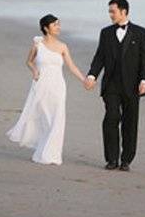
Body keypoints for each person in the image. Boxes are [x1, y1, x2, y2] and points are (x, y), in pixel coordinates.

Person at [5, 14, 85, 165]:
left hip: (58, 86)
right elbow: (29, 61)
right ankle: (41, 150)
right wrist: (34, 70)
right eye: (55, 25)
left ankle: (52, 155)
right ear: (46, 28)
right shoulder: (38, 44)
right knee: (43, 118)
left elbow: (71, 66)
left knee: (57, 119)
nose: (58, 27)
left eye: (59, 24)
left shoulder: (63, 47)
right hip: (41, 85)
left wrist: (84, 80)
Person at [84, 0, 145, 172]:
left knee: (130, 123)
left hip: (132, 86)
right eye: (109, 11)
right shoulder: (105, 33)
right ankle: (111, 159)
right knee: (111, 118)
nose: (110, 15)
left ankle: (126, 160)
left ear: (124, 11)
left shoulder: (140, 32)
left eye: (113, 11)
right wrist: (92, 75)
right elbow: (99, 57)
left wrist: (144, 80)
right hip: (111, 86)